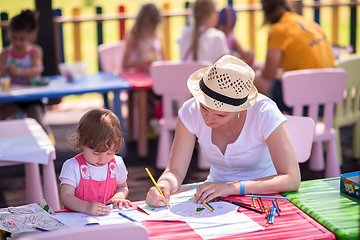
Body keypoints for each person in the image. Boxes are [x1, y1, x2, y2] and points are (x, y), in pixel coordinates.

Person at [145, 55, 300, 207]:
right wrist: (163, 186)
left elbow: (291, 179)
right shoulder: (190, 110)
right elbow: (175, 171)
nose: (207, 119)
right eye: (204, 107)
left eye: (220, 114)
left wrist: (231, 188)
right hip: (215, 193)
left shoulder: (264, 112)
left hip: (264, 196)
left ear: (241, 108)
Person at [254, 0, 335, 113]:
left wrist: (256, 70)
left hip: (307, 103)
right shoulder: (307, 21)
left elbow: (268, 75)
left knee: (253, 80)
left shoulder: (278, 29)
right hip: (331, 98)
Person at [59, 109, 131, 216]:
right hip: (77, 221)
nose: (102, 159)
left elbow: (122, 186)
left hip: (107, 220)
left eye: (109, 153)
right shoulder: (72, 166)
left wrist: (119, 196)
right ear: (81, 142)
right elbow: (66, 196)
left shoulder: (117, 163)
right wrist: (86, 207)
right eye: (96, 153)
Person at [0, 10, 49, 135]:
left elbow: (36, 70)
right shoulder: (6, 53)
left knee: (36, 118)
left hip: (32, 96)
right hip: (13, 97)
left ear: (30, 36)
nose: (17, 42)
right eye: (13, 38)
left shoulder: (35, 51)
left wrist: (19, 72)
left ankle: (49, 142)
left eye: (21, 39)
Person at [122, 3, 163, 73]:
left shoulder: (155, 36)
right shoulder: (133, 37)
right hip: (140, 76)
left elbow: (163, 59)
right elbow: (125, 64)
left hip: (155, 74)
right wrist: (144, 63)